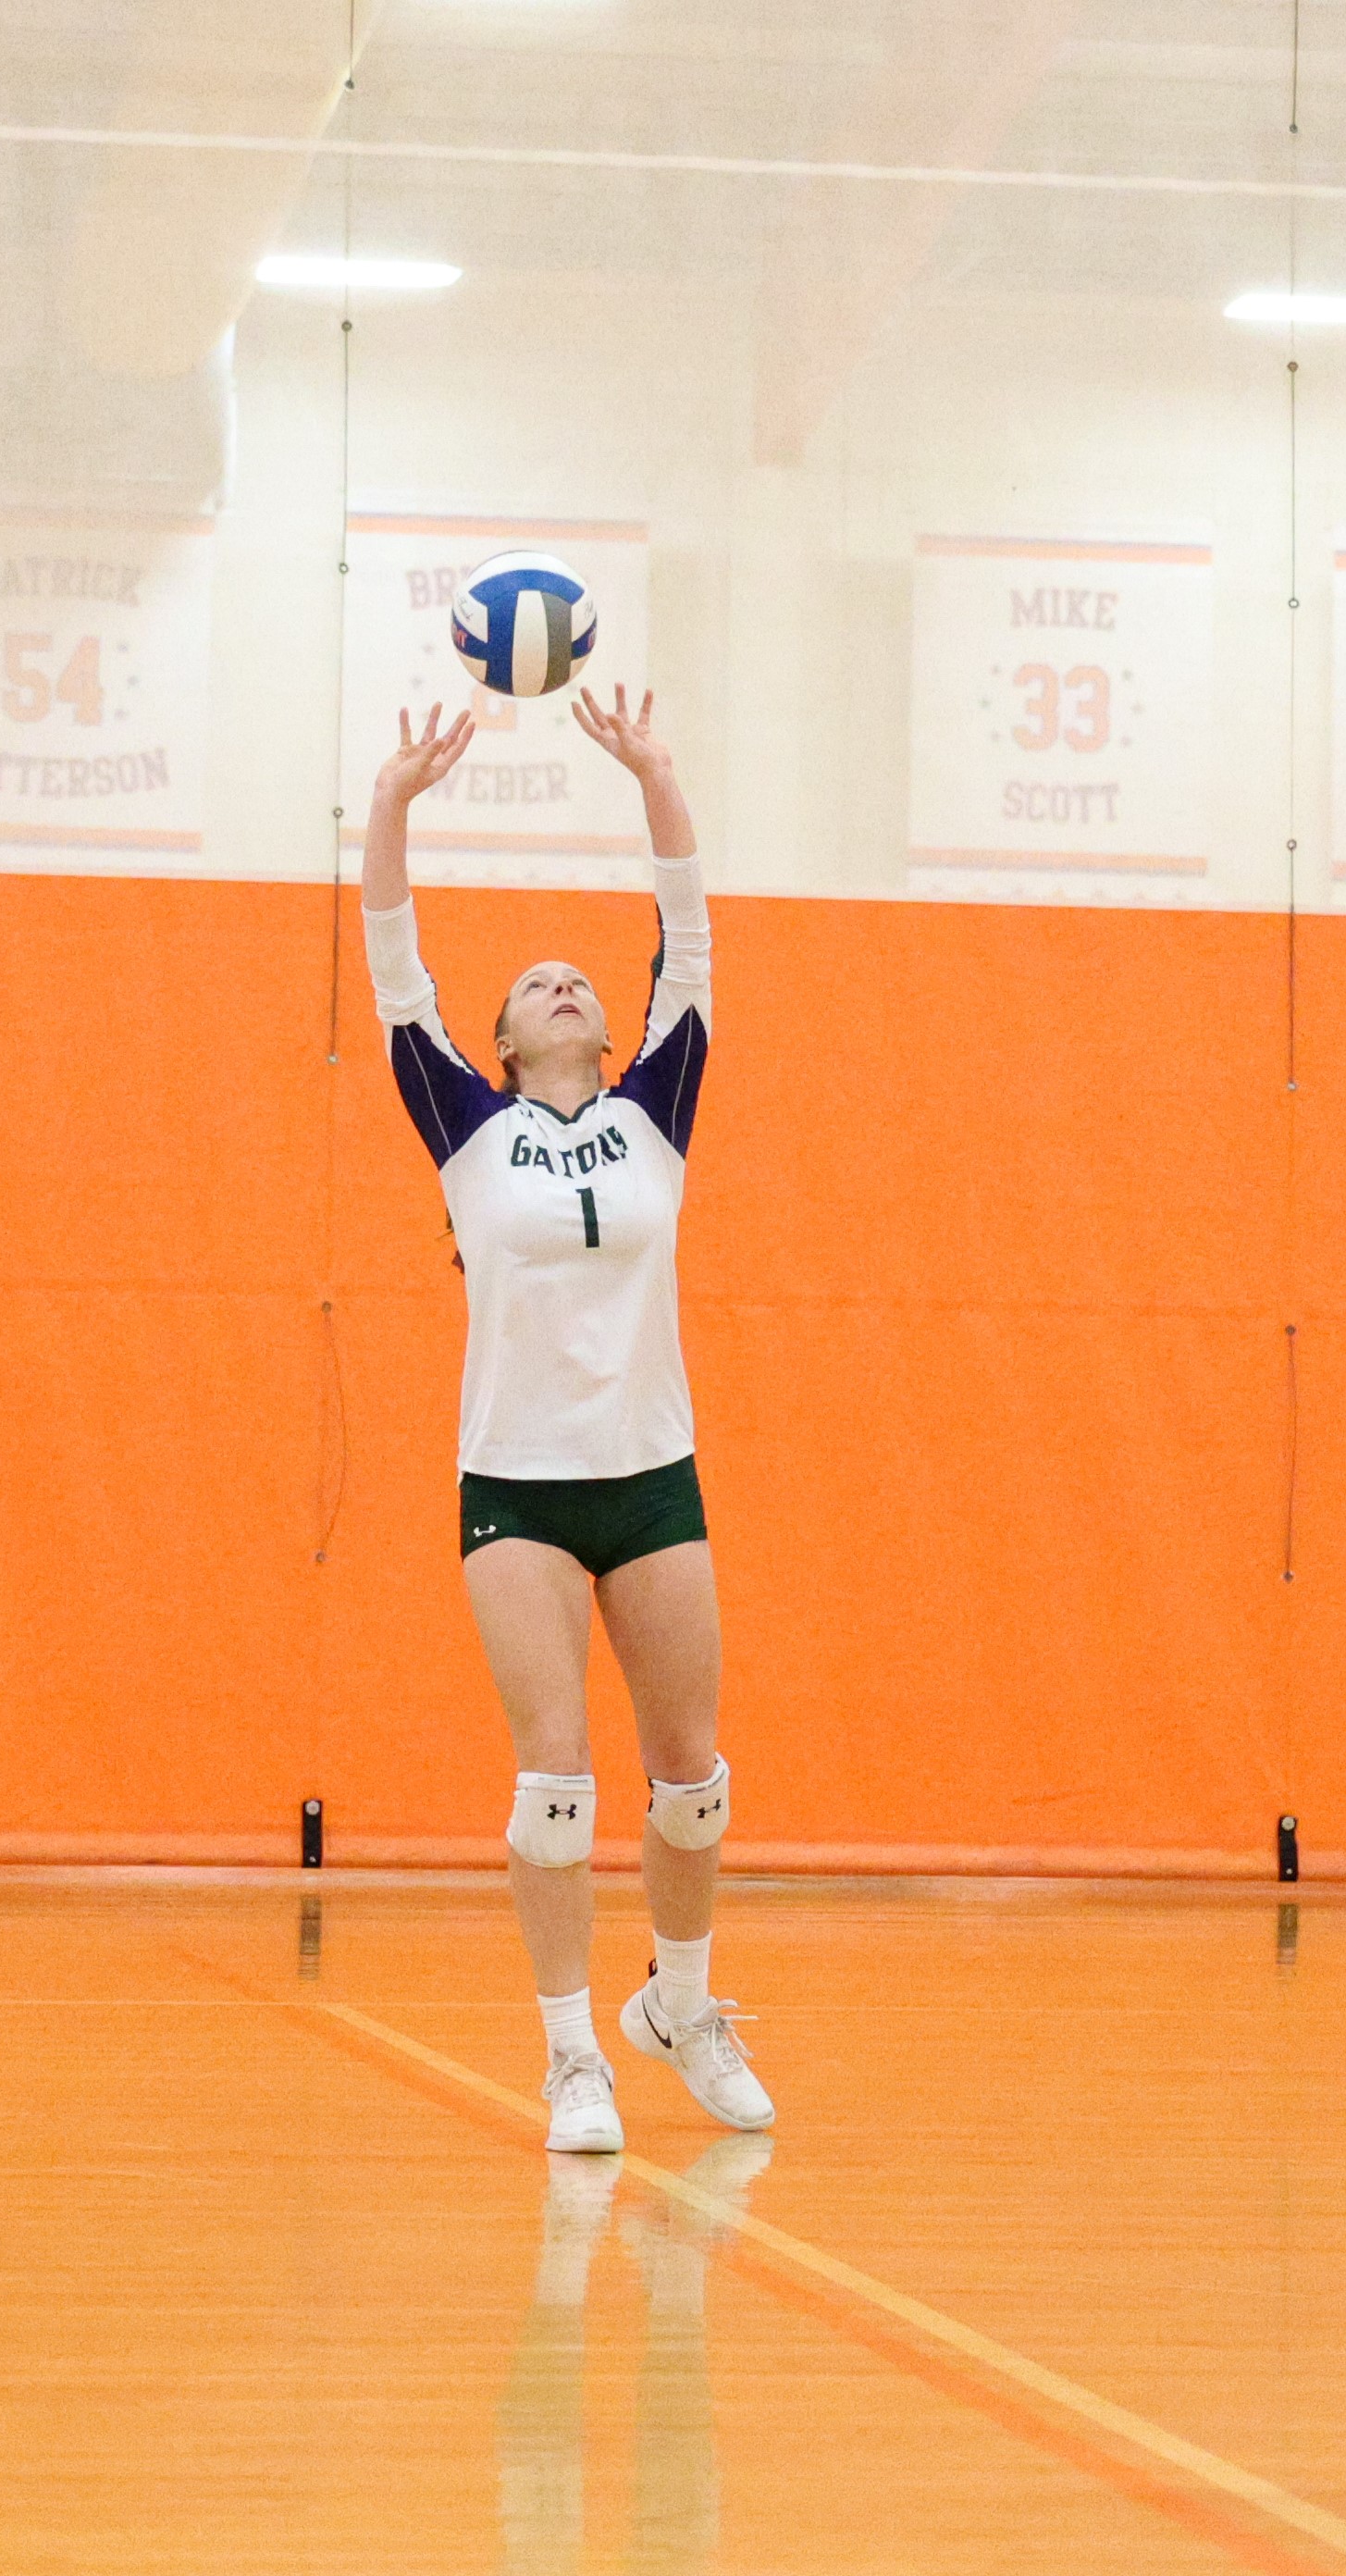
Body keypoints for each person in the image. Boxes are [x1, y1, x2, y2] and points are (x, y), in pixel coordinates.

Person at [360, 687, 768, 2156]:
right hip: (517, 1487)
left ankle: (682, 2003)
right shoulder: (465, 1124)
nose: (561, 985)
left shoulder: (659, 1103)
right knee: (552, 1780)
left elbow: (691, 944)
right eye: (533, 983)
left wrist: (657, 774)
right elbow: (393, 967)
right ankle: (568, 2054)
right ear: (501, 1035)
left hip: (648, 1472)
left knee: (692, 1780)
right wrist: (394, 801)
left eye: (577, 979)